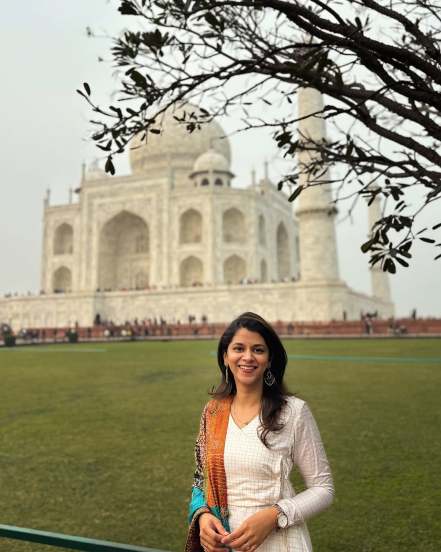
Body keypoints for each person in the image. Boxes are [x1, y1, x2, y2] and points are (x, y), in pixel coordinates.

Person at [186, 312, 334, 552]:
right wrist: (203, 517)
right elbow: (200, 479)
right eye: (238, 348)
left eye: (258, 350)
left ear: (269, 358)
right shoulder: (213, 412)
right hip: (225, 543)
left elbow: (323, 488)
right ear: (225, 356)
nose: (247, 357)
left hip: (280, 541)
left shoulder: (293, 412)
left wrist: (275, 515)